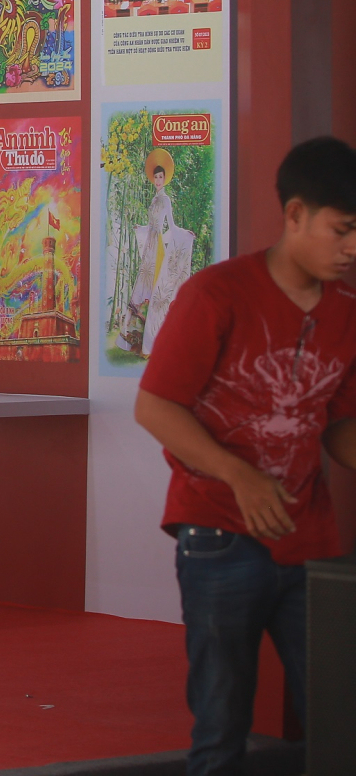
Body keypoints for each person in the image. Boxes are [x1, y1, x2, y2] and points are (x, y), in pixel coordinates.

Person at [134, 136, 356, 776]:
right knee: (222, 719)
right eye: (340, 231)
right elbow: (155, 408)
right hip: (217, 532)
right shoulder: (216, 294)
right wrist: (240, 475)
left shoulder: (348, 314)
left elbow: (338, 423)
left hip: (309, 535)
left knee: (338, 710)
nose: (350, 249)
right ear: (294, 216)